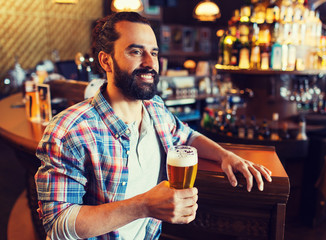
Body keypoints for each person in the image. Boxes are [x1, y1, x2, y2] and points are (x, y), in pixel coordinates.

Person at [34, 12, 272, 240]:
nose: (150, 63)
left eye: (154, 53)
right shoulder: (69, 130)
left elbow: (187, 136)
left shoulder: (155, 108)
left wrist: (225, 156)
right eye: (136, 51)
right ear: (106, 60)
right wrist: (144, 205)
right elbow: (57, 223)